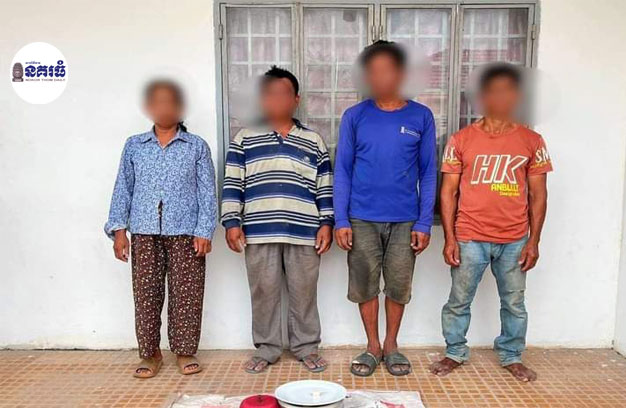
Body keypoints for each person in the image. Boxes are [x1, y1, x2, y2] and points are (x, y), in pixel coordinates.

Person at [430, 63, 552, 382]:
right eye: (493, 91)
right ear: (481, 98)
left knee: (514, 303)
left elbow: (539, 195)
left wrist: (534, 241)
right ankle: (455, 351)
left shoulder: (532, 141)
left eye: (508, 91)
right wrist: (450, 238)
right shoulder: (461, 140)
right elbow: (448, 192)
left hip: (515, 239)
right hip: (470, 236)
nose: (501, 97)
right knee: (459, 300)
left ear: (517, 97)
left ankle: (512, 355)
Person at [334, 40, 437, 377]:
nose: (380, 78)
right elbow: (343, 170)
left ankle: (392, 345)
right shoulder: (355, 116)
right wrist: (341, 219)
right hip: (361, 216)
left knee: (398, 285)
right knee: (364, 284)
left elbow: (428, 172)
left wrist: (424, 222)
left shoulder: (421, 116)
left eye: (387, 70)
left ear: (401, 73)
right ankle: (372, 346)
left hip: (406, 219)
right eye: (373, 72)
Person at [221, 66, 334, 374]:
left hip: (304, 231)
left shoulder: (313, 140)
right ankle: (267, 348)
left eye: (284, 93)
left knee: (304, 292)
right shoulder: (245, 138)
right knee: (264, 291)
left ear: (296, 99)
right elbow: (232, 183)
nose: (277, 100)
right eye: (270, 94)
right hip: (259, 230)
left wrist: (326, 223)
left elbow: (324, 186)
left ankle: (306, 347)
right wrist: (231, 222)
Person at [104, 80, 217, 378]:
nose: (164, 107)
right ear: (148, 107)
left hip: (186, 232)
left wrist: (205, 230)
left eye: (170, 102)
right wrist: (119, 230)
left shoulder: (196, 146)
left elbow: (207, 192)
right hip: (144, 231)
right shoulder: (134, 145)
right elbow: (123, 188)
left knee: (187, 295)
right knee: (146, 295)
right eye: (157, 102)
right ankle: (150, 353)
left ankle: (185, 351)